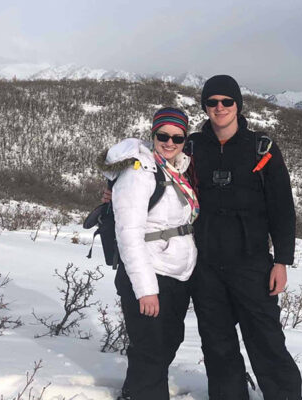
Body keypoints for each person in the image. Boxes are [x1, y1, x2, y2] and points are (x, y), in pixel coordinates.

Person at [188, 75, 302, 399]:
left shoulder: (261, 147)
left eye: (227, 101)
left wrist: (282, 261)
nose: (220, 107)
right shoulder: (193, 147)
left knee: (266, 342)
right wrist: (116, 191)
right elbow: (159, 177)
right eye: (212, 102)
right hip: (207, 265)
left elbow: (282, 207)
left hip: (252, 264)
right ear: (205, 107)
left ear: (238, 105)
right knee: (217, 344)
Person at [99, 107, 199, 400]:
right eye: (163, 135)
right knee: (151, 348)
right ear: (153, 134)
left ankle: (133, 392)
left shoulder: (178, 170)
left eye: (177, 137)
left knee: (167, 341)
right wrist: (146, 291)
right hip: (148, 274)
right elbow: (129, 235)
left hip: (175, 273)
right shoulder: (139, 171)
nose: (169, 142)